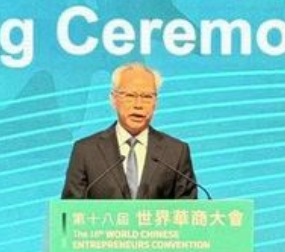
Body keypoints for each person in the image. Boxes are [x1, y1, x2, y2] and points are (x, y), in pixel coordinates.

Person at [61, 62, 198, 200]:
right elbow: (71, 209)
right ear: (113, 99)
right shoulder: (86, 151)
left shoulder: (176, 152)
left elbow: (188, 208)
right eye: (130, 96)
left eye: (147, 97)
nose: (138, 105)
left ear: (155, 102)